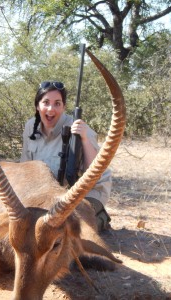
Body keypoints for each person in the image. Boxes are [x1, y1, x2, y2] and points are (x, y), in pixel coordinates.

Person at [20, 81, 112, 231]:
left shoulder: (81, 128)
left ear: (63, 107)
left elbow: (94, 174)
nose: (51, 109)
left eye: (57, 103)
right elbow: (24, 168)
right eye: (46, 103)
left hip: (86, 192)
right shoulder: (30, 126)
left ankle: (99, 218)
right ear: (37, 106)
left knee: (68, 228)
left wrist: (83, 138)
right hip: (51, 194)